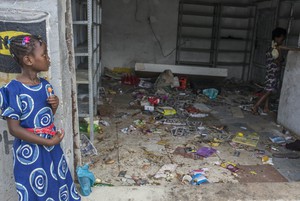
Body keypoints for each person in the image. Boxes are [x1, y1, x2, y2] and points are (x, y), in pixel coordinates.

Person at [0, 35, 81, 200]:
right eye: (44, 55)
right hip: (31, 154)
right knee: (36, 189)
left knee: (56, 183)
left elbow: (43, 118)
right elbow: (14, 129)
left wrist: (54, 106)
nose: (48, 59)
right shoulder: (13, 90)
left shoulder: (45, 85)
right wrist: (48, 141)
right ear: (29, 60)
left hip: (51, 148)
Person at [252, 27, 300, 115]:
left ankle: (266, 107)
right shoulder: (278, 47)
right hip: (273, 73)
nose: (283, 39)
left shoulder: (271, 47)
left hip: (270, 72)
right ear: (278, 37)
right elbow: (279, 60)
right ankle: (256, 106)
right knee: (269, 91)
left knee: (268, 90)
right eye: (282, 37)